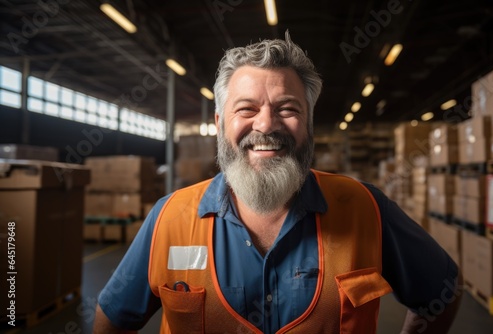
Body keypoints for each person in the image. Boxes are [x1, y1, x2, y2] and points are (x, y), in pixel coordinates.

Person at [93, 32, 462, 333]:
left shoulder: (365, 207)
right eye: (247, 109)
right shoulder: (169, 219)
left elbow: (442, 291)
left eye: (287, 108)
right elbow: (112, 320)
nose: (266, 125)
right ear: (221, 123)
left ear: (309, 124)